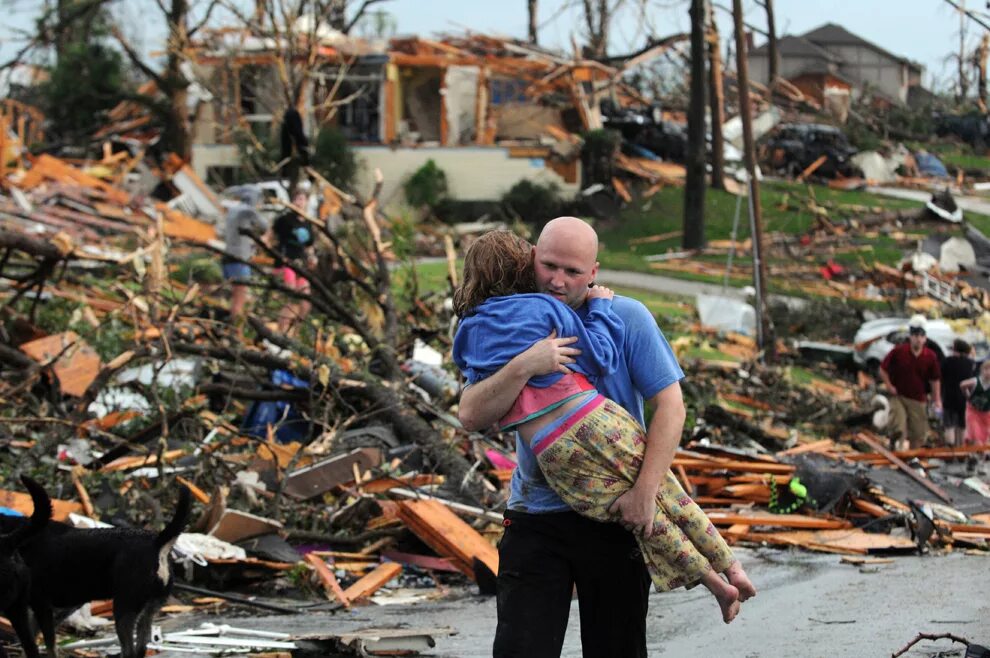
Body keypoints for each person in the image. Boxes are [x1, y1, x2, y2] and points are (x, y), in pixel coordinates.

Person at [452, 230, 754, 627]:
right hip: (536, 513)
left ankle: (721, 580)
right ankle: (725, 575)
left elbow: (671, 406)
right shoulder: (543, 312)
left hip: (605, 499)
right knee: (521, 647)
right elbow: (471, 413)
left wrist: (643, 493)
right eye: (549, 266)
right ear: (530, 261)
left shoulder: (625, 316)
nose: (558, 280)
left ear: (593, 271)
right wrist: (527, 364)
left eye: (572, 271)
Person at [878, 314, 942, 451]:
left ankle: (913, 458)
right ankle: (895, 448)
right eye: (915, 336)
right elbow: (883, 369)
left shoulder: (930, 356)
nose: (917, 339)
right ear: (910, 336)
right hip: (899, 395)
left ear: (925, 339)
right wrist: (889, 385)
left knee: (918, 432)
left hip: (918, 399)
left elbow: (934, 380)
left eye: (921, 336)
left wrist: (937, 400)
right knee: (899, 427)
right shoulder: (899, 352)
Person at [272, 191, 315, 335]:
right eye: (297, 199)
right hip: (287, 263)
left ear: (307, 202)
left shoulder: (308, 222)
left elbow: (309, 245)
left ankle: (296, 333)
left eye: (303, 199)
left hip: (301, 264)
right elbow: (271, 235)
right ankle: (281, 332)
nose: (300, 202)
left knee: (305, 301)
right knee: (290, 299)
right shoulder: (285, 220)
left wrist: (312, 258)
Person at [223, 185, 267, 320]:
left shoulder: (232, 210)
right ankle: (236, 333)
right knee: (240, 299)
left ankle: (232, 328)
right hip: (240, 260)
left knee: (236, 296)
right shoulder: (248, 211)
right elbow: (264, 226)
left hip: (228, 258)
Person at [940, 339, 974, 447]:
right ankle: (961, 449)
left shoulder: (947, 361)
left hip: (948, 396)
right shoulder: (970, 363)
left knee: (949, 425)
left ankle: (950, 449)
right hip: (964, 397)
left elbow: (941, 376)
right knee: (962, 424)